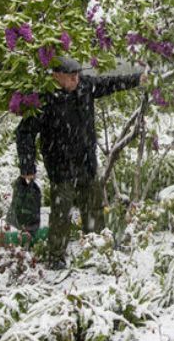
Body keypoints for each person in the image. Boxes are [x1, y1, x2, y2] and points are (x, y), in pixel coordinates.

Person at [16, 57, 146, 269]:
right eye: (70, 76)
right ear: (56, 76)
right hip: (60, 166)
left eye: (77, 75)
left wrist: (137, 79)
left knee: (93, 206)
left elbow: (110, 83)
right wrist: (27, 166)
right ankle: (56, 256)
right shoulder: (44, 99)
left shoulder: (85, 87)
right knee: (62, 213)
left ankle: (97, 245)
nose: (75, 79)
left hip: (86, 162)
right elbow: (24, 133)